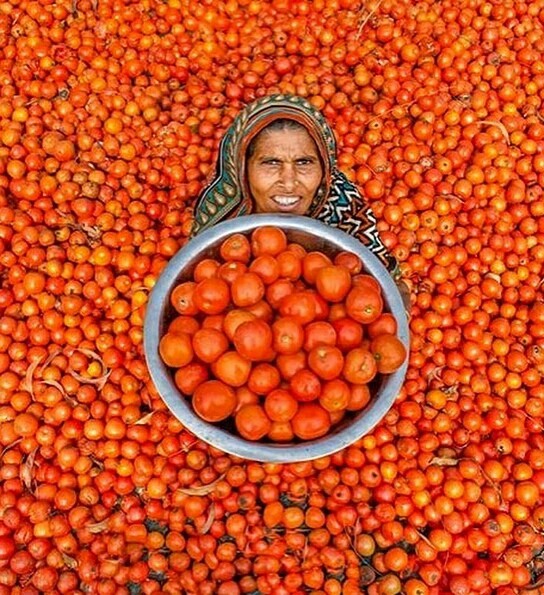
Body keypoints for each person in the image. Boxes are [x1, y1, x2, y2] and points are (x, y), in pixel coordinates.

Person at [191, 94, 403, 287]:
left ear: (325, 166)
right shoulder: (220, 213)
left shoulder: (343, 206)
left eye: (304, 162)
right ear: (242, 168)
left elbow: (390, 286)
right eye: (271, 162)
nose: (290, 183)